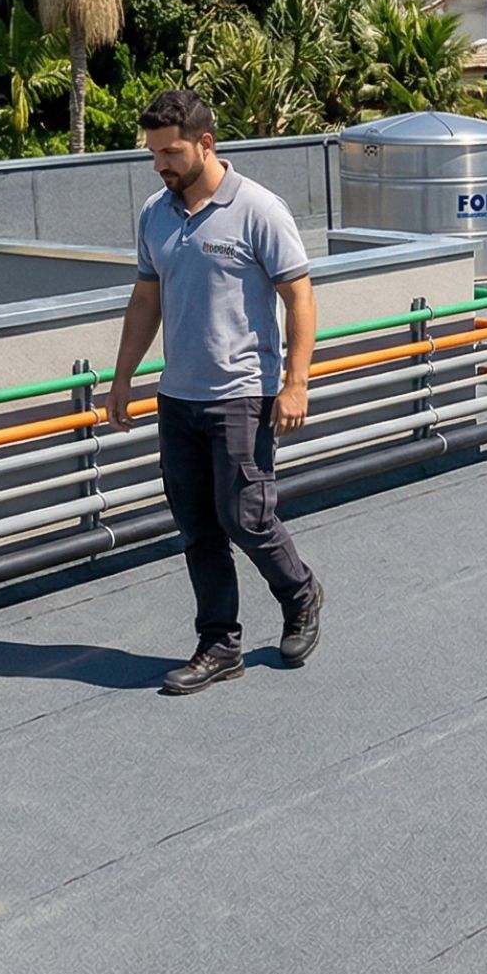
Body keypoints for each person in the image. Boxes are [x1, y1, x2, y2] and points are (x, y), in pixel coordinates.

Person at [106, 88, 323, 694]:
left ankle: (301, 594)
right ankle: (220, 644)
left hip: (242, 394)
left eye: (171, 152)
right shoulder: (155, 213)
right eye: (153, 154)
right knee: (197, 525)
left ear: (206, 144)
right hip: (179, 398)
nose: (161, 164)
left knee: (246, 517)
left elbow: (299, 295)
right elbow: (146, 297)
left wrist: (295, 382)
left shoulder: (258, 209)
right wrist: (123, 378)